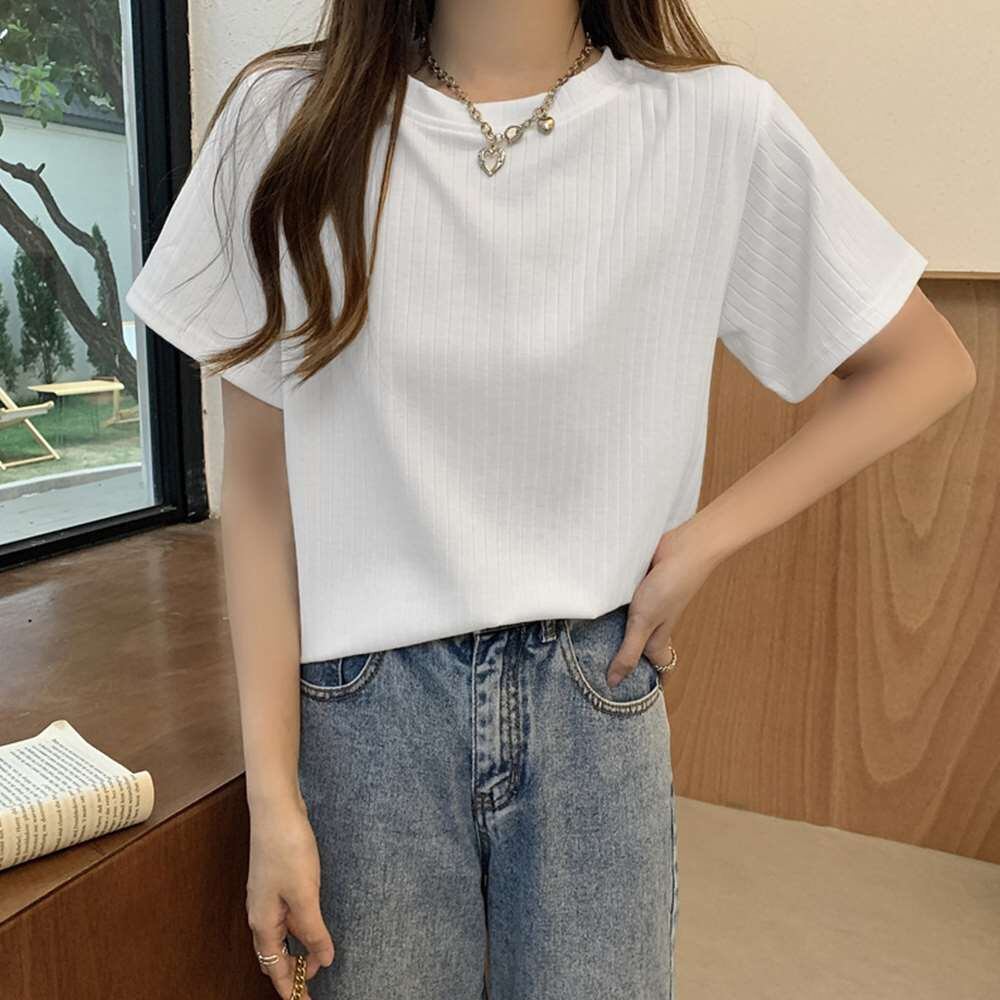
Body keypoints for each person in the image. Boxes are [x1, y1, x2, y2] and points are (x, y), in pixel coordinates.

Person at [124, 2, 975, 998]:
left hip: (591, 698)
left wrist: (701, 542)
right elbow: (259, 491)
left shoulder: (713, 123)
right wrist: (273, 798)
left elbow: (925, 363)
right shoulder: (288, 118)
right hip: (363, 721)